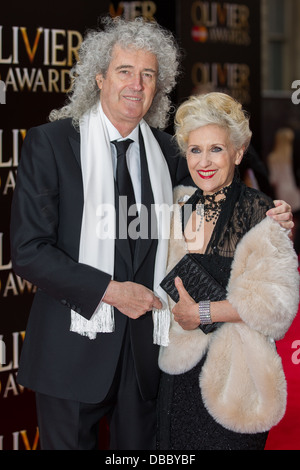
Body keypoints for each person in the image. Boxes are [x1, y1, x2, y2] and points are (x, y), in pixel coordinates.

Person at [10, 17, 293, 451]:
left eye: (148, 74)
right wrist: (110, 290)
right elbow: (30, 252)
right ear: (100, 76)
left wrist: (269, 215)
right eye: (125, 71)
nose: (136, 85)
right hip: (71, 354)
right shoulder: (51, 144)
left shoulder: (165, 151)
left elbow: (220, 183)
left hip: (147, 359)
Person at [157, 92, 299, 450]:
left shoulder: (262, 214)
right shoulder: (176, 209)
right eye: (195, 149)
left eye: (216, 149)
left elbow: (277, 307)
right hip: (176, 381)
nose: (204, 161)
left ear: (237, 152)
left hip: (237, 383)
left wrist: (201, 313)